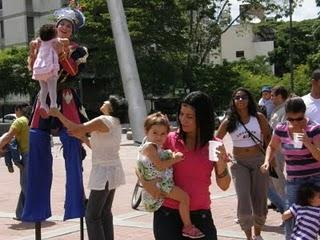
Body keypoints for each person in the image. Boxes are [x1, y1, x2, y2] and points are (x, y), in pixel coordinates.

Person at [22, 5, 89, 222]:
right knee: (37, 151)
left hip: (66, 98)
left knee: (72, 150)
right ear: (56, 26)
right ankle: (35, 210)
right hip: (44, 97)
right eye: (62, 24)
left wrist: (61, 53)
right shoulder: (42, 43)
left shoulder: (79, 49)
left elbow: (72, 72)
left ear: (73, 30)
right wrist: (34, 51)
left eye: (69, 26)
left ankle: (76, 207)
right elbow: (33, 69)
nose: (65, 28)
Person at [138, 91, 231, 240]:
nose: (183, 120)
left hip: (201, 215)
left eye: (189, 117)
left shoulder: (215, 145)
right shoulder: (167, 139)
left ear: (202, 118)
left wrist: (221, 163)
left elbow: (224, 185)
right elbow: (141, 164)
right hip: (167, 214)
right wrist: (149, 186)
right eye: (181, 114)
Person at [137, 112, 205, 239]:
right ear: (146, 131)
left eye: (163, 134)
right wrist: (176, 159)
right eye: (155, 133)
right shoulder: (150, 147)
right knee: (184, 198)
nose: (159, 137)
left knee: (184, 198)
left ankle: (187, 226)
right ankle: (188, 226)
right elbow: (159, 166)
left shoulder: (155, 146)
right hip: (161, 183)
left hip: (160, 182)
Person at [261, 97, 320, 240]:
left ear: (304, 114)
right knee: (290, 216)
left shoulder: (314, 128)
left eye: (299, 119)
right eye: (291, 119)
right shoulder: (281, 128)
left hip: (315, 178)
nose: (295, 123)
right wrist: (267, 161)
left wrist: (308, 142)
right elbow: (272, 146)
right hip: (294, 180)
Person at [216, 87, 271, 240]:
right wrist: (223, 153)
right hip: (239, 163)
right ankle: (248, 236)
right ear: (233, 101)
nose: (240, 100)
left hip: (259, 161)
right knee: (244, 198)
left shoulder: (258, 117)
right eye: (237, 97)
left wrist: (269, 159)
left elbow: (268, 137)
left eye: (244, 97)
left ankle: (258, 234)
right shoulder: (229, 121)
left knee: (260, 198)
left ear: (249, 100)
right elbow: (216, 140)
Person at [29, 24, 69, 118]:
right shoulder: (54, 41)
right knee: (52, 88)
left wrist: (33, 44)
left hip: (39, 69)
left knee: (43, 89)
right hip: (50, 68)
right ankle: (53, 105)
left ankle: (43, 104)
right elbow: (66, 41)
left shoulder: (40, 41)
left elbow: (33, 42)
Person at [0, 103, 30, 220]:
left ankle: (29, 212)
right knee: (26, 184)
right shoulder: (29, 120)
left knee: (25, 185)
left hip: (27, 154)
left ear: (18, 109)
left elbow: (8, 136)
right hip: (35, 154)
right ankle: (20, 213)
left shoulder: (19, 121)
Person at [267, 86, 289, 214]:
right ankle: (283, 207)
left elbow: (282, 132)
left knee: (279, 181)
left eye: (273, 95)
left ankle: (288, 210)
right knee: (271, 182)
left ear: (280, 96)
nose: (271, 98)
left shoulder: (285, 111)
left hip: (278, 150)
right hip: (273, 150)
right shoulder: (278, 110)